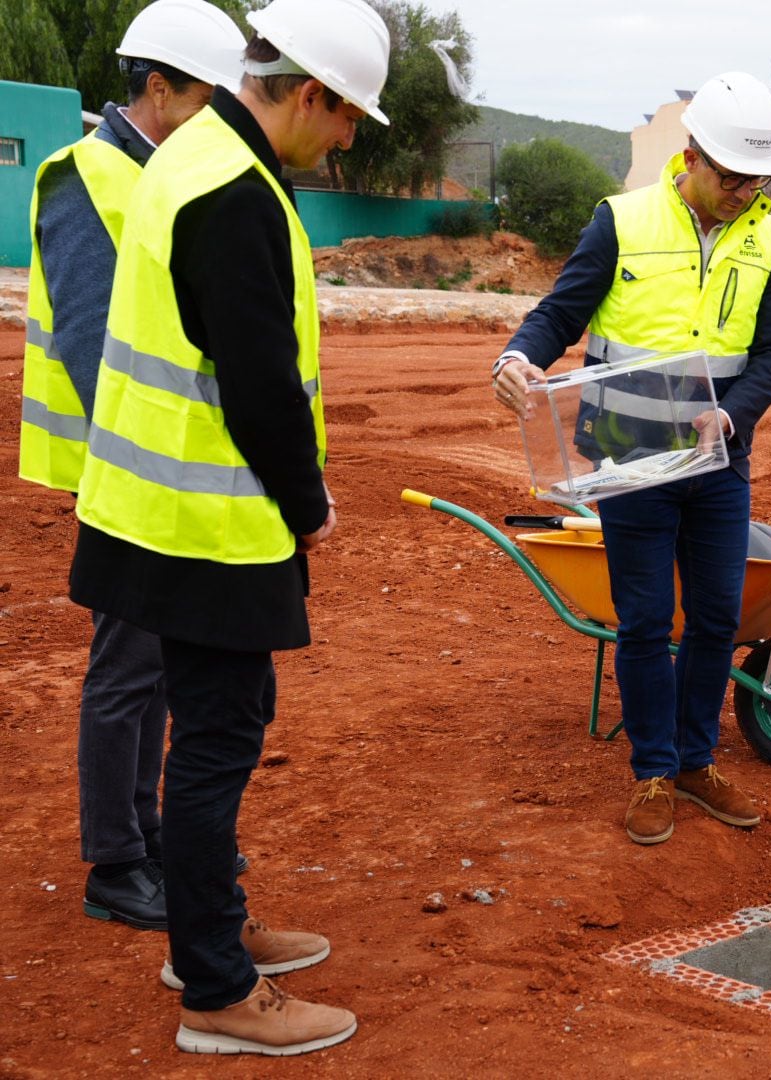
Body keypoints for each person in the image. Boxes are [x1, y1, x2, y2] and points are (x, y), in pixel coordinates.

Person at [67, 0, 390, 1055]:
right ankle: (214, 985)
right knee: (217, 743)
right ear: (310, 94)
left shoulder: (195, 150)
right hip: (203, 523)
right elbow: (258, 389)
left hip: (154, 513)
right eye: (346, 121)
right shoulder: (234, 194)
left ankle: (212, 929)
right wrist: (309, 508)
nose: (344, 141)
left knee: (214, 732)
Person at [492, 72, 771, 846]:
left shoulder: (767, 237)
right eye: (731, 177)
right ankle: (654, 772)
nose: (743, 192)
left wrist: (732, 414)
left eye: (756, 180)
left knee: (719, 616)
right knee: (646, 619)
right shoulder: (621, 222)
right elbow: (561, 311)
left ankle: (698, 762)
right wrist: (520, 356)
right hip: (631, 461)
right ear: (691, 156)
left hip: (718, 461)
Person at [18, 0, 247, 934]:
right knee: (126, 667)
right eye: (207, 99)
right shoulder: (90, 175)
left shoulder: (156, 174)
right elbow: (86, 336)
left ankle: (148, 837)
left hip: (152, 469)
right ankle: (116, 860)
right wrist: (145, 452)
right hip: (119, 469)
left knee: (151, 664)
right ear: (159, 90)